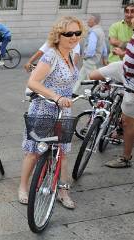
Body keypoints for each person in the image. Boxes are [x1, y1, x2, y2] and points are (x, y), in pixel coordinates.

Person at [18, 16, 84, 209]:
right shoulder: (51, 55)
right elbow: (32, 82)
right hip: (44, 108)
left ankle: (63, 191)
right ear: (58, 35)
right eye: (69, 33)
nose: (74, 37)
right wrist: (56, 97)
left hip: (63, 111)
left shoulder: (71, 54)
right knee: (33, 152)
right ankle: (23, 187)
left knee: (62, 153)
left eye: (77, 33)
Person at [89, 16, 134, 168]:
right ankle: (107, 101)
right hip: (122, 68)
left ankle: (126, 158)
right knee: (92, 76)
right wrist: (124, 55)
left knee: (127, 121)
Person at [72, 14, 105, 95]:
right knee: (81, 76)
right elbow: (104, 46)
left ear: (94, 21)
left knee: (93, 77)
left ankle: (102, 91)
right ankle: (73, 92)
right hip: (94, 59)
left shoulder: (93, 32)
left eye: (89, 20)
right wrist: (104, 56)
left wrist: (85, 56)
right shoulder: (101, 31)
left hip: (90, 59)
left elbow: (91, 48)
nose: (88, 21)